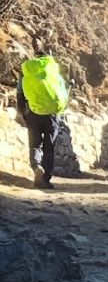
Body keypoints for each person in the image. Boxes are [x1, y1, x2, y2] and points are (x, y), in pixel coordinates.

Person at [15, 56, 66, 189]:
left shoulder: (27, 73)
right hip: (52, 115)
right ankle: (45, 179)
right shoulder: (54, 74)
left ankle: (36, 166)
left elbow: (20, 93)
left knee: (35, 144)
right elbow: (62, 94)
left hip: (32, 112)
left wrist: (22, 112)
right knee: (49, 148)